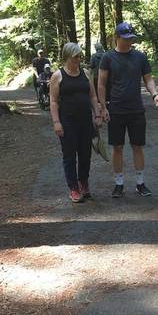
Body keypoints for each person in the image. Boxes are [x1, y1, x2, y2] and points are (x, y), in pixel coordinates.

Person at [98, 22, 158, 198]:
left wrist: (155, 94)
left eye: (131, 38)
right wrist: (102, 107)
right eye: (126, 39)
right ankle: (119, 184)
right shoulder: (108, 57)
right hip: (116, 109)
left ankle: (140, 183)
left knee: (137, 146)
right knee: (117, 147)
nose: (129, 42)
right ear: (117, 38)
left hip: (136, 110)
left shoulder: (140, 57)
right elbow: (101, 84)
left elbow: (148, 79)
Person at [49, 43, 102, 203]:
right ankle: (73, 188)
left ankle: (83, 183)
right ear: (67, 57)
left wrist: (97, 115)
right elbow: (53, 101)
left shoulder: (86, 73)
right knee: (69, 156)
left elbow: (93, 96)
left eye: (80, 56)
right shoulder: (57, 76)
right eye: (75, 57)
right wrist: (56, 122)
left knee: (86, 155)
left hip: (86, 121)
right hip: (67, 122)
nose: (79, 59)